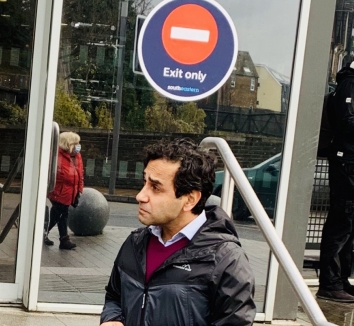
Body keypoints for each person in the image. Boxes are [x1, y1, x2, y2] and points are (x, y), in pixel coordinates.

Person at [101, 138, 255, 326]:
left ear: (190, 200)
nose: (140, 196)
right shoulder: (135, 243)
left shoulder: (226, 261)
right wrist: (112, 319)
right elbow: (114, 296)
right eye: (144, 183)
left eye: (155, 187)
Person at [318, 57, 354, 303]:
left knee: (348, 223)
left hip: (349, 161)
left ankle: (339, 280)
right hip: (347, 162)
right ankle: (330, 283)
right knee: (342, 219)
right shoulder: (349, 86)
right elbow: (347, 121)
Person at [44, 131, 84, 250]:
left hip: (70, 192)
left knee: (57, 215)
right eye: (75, 143)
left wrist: (79, 191)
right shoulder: (57, 156)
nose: (78, 145)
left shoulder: (77, 156)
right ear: (68, 144)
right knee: (62, 214)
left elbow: (80, 174)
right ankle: (64, 240)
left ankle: (43, 233)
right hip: (59, 192)